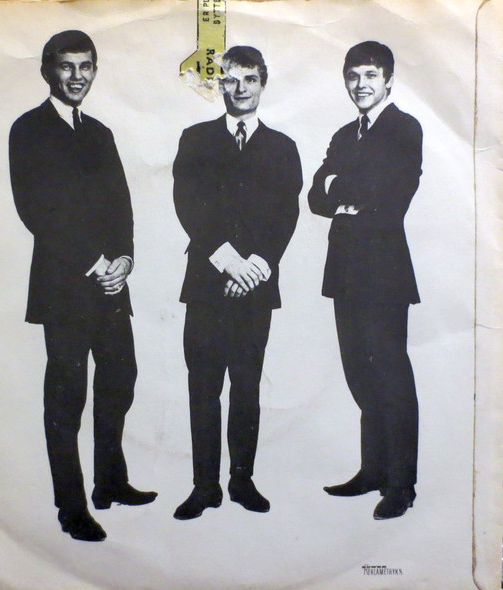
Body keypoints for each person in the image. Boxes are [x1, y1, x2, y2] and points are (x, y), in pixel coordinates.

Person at [9, 30, 156, 542]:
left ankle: (110, 482)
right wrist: (96, 263)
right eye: (67, 66)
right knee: (67, 396)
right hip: (64, 289)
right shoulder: (28, 129)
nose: (77, 76)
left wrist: (125, 260)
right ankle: (71, 507)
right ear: (47, 70)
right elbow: (36, 210)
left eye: (86, 66)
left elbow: (121, 205)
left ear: (95, 70)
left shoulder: (100, 132)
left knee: (121, 378)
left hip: (112, 286)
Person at [172, 46, 302, 520]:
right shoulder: (196, 139)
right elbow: (188, 204)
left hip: (257, 287)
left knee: (247, 386)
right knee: (204, 387)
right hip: (207, 282)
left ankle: (242, 481)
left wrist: (257, 266)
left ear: (263, 83)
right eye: (231, 79)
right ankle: (204, 486)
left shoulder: (283, 147)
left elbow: (286, 212)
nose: (240, 88)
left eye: (250, 79)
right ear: (219, 84)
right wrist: (228, 262)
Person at [308, 41, 422, 520]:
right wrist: (345, 193)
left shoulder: (404, 128)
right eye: (353, 75)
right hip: (345, 271)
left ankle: (401, 485)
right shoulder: (343, 134)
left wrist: (342, 188)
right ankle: (373, 471)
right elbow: (315, 195)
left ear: (388, 81)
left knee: (390, 376)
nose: (361, 84)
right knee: (359, 373)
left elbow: (392, 193)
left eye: (371, 75)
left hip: (384, 272)